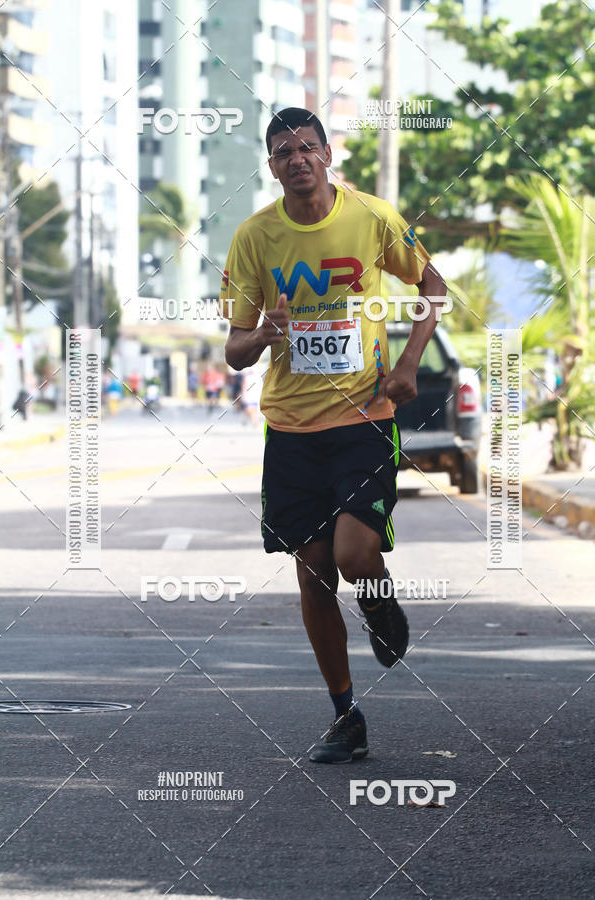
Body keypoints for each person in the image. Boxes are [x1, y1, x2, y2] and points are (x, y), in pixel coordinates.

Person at [220, 107, 447, 763]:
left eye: (308, 148)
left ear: (327, 155)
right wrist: (260, 335)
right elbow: (234, 348)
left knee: (352, 557)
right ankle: (346, 716)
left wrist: (408, 362)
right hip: (291, 428)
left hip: (364, 419)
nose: (298, 159)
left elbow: (432, 285)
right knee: (314, 576)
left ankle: (378, 606)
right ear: (272, 166)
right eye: (284, 151)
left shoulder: (372, 218)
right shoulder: (255, 237)